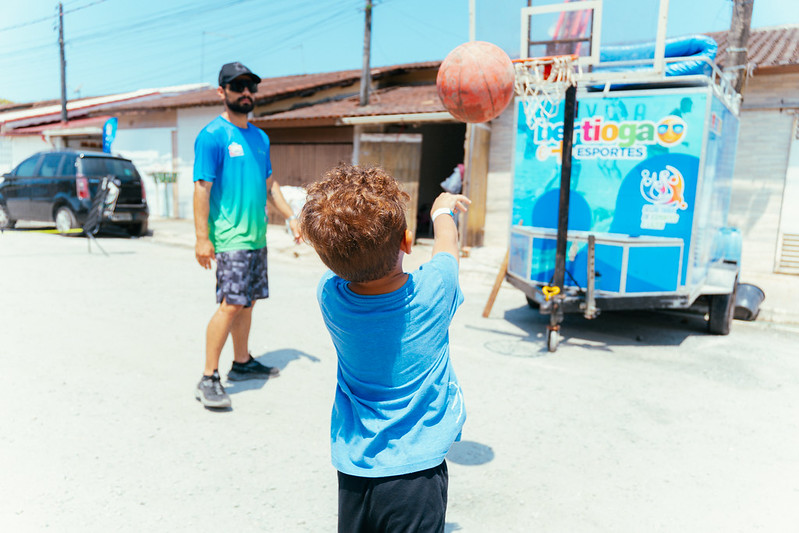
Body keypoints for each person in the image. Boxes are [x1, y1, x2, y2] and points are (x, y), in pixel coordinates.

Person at [299, 163, 470, 532]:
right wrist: (442, 210)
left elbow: (340, 260)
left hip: (355, 468)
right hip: (417, 475)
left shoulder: (331, 296)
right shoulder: (434, 290)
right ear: (407, 242)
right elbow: (447, 248)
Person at [193, 61, 301, 409]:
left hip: (256, 238)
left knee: (248, 301)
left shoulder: (260, 137)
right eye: (237, 86)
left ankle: (241, 363)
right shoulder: (212, 136)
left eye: (249, 87)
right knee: (231, 304)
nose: (245, 93)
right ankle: (208, 376)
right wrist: (201, 238)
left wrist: (291, 217)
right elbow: (201, 189)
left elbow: (271, 185)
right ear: (222, 92)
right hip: (229, 238)